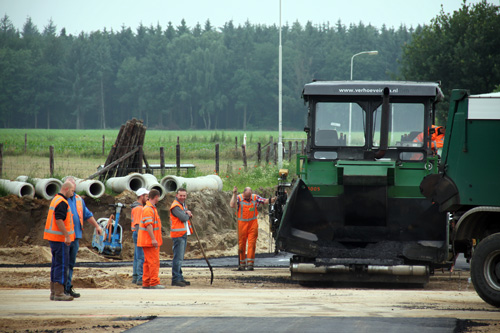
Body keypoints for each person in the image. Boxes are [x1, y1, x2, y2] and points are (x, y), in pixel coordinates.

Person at [65, 177, 103, 298]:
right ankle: (60, 288)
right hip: (64, 238)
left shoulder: (78, 199)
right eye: (70, 188)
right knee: (62, 263)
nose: (72, 190)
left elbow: (87, 214)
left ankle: (67, 287)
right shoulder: (61, 200)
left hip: (75, 236)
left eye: (73, 187)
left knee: (70, 263)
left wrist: (97, 225)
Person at [44, 181, 76, 301]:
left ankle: (54, 291)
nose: (73, 194)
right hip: (60, 239)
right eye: (72, 191)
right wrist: (67, 236)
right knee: (62, 265)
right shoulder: (62, 202)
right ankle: (59, 293)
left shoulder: (55, 199)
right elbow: (59, 220)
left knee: (56, 264)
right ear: (66, 189)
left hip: (54, 239)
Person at [230, 187, 275, 271]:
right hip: (242, 225)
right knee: (241, 244)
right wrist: (234, 194)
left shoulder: (255, 197)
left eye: (249, 197)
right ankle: (242, 264)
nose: (248, 198)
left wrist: (274, 199)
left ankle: (250, 264)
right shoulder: (239, 198)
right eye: (246, 197)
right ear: (243, 194)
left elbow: (265, 201)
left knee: (252, 244)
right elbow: (232, 205)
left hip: (252, 225)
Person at [137, 189, 165, 289]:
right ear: (156, 197)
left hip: (147, 240)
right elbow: (148, 225)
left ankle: (146, 282)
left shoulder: (150, 208)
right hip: (149, 241)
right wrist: (153, 239)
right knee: (153, 262)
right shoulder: (149, 209)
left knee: (148, 262)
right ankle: (154, 282)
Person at [170, 188, 193, 287]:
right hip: (178, 235)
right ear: (177, 195)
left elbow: (185, 216)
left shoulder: (182, 205)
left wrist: (187, 213)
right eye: (181, 195)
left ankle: (180, 277)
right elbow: (183, 217)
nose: (182, 197)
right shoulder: (175, 206)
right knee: (178, 258)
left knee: (180, 258)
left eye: (184, 195)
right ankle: (176, 278)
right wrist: (188, 214)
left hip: (183, 234)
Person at [131, 188, 148, 286]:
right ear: (141, 196)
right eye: (146, 196)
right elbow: (137, 224)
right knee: (141, 256)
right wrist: (141, 236)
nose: (147, 198)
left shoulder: (137, 207)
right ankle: (140, 278)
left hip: (137, 233)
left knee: (137, 256)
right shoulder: (138, 208)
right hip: (138, 233)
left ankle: (136, 276)